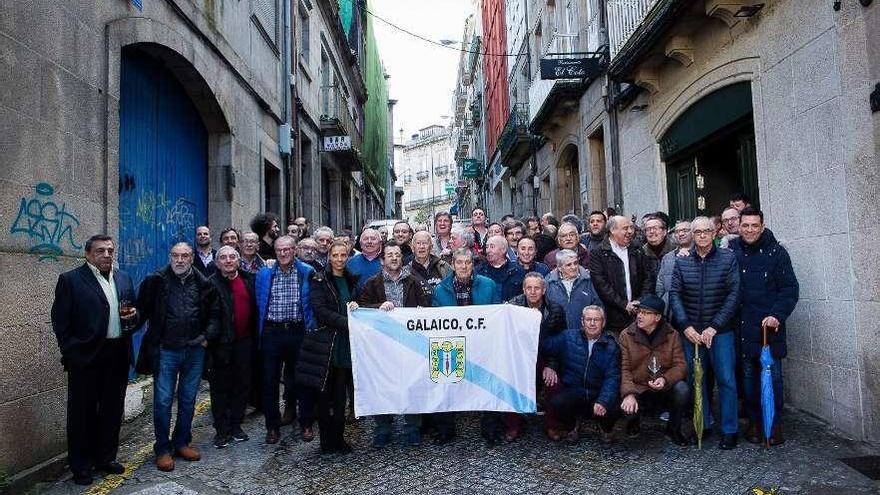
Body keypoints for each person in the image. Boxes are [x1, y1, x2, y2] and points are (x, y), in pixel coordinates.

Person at [50, 235, 138, 485]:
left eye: (110, 251)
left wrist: (134, 315)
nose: (107, 255)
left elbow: (133, 309)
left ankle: (105, 458)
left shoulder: (123, 278)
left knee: (112, 410)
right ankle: (81, 465)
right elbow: (60, 321)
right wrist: (71, 352)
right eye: (101, 251)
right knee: (82, 413)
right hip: (86, 357)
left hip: (118, 353)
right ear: (88, 254)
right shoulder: (71, 280)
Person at [137, 242, 220, 472]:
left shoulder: (204, 284)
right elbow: (140, 310)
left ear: (192, 258)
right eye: (176, 255)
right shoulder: (156, 281)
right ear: (170, 257)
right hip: (166, 350)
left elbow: (214, 315)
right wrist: (128, 326)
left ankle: (181, 441)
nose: (180, 260)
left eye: (185, 255)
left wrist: (205, 337)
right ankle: (163, 448)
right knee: (163, 401)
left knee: (187, 399)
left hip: (194, 351)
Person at [669, 216, 741, 450]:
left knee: (726, 380)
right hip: (690, 333)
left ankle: (730, 429)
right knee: (696, 380)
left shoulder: (728, 259)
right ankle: (704, 423)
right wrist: (686, 327)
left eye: (706, 231)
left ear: (714, 233)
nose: (701, 235)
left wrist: (715, 326)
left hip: (720, 332)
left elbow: (733, 295)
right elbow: (675, 296)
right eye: (697, 231)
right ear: (691, 234)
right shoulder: (682, 261)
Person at [729, 207, 799, 445]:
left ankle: (774, 422)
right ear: (739, 226)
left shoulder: (777, 253)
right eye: (745, 225)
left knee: (773, 378)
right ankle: (755, 422)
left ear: (762, 226)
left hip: (769, 328)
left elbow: (790, 289)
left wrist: (777, 315)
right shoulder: (731, 251)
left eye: (754, 226)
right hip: (743, 327)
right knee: (748, 379)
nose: (749, 230)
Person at [358, 241, 433, 448]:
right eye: (389, 254)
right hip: (381, 345)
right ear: (382, 260)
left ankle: (412, 428)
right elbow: (362, 309)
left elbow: (425, 308)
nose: (393, 258)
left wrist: (419, 311)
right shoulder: (372, 283)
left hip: (409, 344)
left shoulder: (413, 282)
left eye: (397, 255)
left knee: (412, 383)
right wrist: (378, 306)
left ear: (402, 259)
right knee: (382, 385)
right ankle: (382, 428)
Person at [432, 248, 500, 445]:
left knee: (489, 385)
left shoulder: (488, 285)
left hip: (483, 344)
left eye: (467, 263)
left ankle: (490, 429)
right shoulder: (441, 289)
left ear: (473, 265)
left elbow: (497, 314)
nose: (463, 266)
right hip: (452, 344)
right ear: (452, 264)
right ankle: (445, 430)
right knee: (445, 384)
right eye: (459, 262)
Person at [255, 235, 317, 445]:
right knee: (269, 381)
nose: (283, 254)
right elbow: (260, 301)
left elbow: (312, 304)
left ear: (295, 250)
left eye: (287, 250)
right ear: (275, 251)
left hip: (298, 331)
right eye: (279, 250)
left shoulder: (307, 272)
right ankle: (272, 427)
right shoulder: (264, 274)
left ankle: (306, 422)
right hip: (272, 332)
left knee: (302, 379)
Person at [618, 295, 691, 446]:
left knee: (682, 389)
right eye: (639, 312)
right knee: (626, 404)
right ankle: (634, 420)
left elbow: (680, 365)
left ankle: (673, 429)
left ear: (657, 317)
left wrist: (665, 379)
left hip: (663, 386)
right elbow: (623, 368)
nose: (640, 316)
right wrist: (629, 394)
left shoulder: (672, 335)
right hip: (638, 387)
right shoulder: (626, 335)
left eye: (645, 313)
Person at [541, 306, 620, 444]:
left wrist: (603, 400)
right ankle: (572, 426)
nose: (592, 323)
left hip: (598, 391)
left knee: (614, 404)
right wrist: (550, 365)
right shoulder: (568, 337)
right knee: (557, 402)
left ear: (603, 322)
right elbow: (545, 345)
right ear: (582, 322)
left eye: (597, 319)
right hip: (574, 390)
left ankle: (605, 428)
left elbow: (612, 377)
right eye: (588, 319)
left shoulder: (611, 345)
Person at [309, 240, 359, 454]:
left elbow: (353, 304)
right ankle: (325, 440)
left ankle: (338, 438)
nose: (339, 259)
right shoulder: (319, 279)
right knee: (324, 397)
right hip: (327, 344)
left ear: (347, 257)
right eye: (335, 255)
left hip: (345, 345)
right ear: (329, 257)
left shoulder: (350, 279)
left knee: (340, 396)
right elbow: (320, 311)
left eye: (343, 255)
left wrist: (356, 308)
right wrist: (346, 322)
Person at [207, 246, 257, 448]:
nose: (228, 261)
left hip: (245, 342)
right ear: (217, 262)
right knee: (220, 388)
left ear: (238, 261)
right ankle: (221, 430)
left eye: (232, 257)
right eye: (223, 257)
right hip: (221, 344)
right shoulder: (210, 284)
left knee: (242, 385)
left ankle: (236, 425)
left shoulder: (248, 280)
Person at [506, 273, 567, 441]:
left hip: (545, 356)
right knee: (513, 381)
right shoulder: (513, 307)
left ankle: (552, 425)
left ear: (544, 290)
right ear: (523, 290)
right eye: (529, 288)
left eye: (537, 288)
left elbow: (560, 341)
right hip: (519, 357)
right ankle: (513, 426)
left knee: (554, 384)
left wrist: (552, 366)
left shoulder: (555, 310)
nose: (533, 292)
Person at [589, 215, 654, 334]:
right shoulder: (598, 253)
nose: (630, 231)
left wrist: (640, 302)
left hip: (639, 313)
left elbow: (648, 277)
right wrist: (624, 305)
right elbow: (601, 285)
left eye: (631, 228)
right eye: (625, 228)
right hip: (613, 318)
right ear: (612, 231)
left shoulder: (637, 248)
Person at [545, 249, 603, 330]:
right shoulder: (549, 282)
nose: (574, 267)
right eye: (569, 265)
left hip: (584, 334)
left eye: (575, 263)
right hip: (558, 335)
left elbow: (598, 307)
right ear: (560, 268)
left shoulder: (589, 280)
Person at [475, 235, 525, 303]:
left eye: (492, 247)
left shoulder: (518, 271)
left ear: (503, 250)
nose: (488, 250)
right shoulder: (479, 271)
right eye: (487, 247)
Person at [655, 220, 693, 309]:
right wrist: (664, 301)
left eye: (685, 230)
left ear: (693, 233)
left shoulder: (700, 254)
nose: (681, 234)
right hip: (670, 309)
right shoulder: (667, 257)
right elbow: (660, 285)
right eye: (677, 231)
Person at [641, 215, 675, 293]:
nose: (652, 232)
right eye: (648, 229)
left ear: (664, 232)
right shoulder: (641, 253)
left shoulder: (676, 251)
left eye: (655, 228)